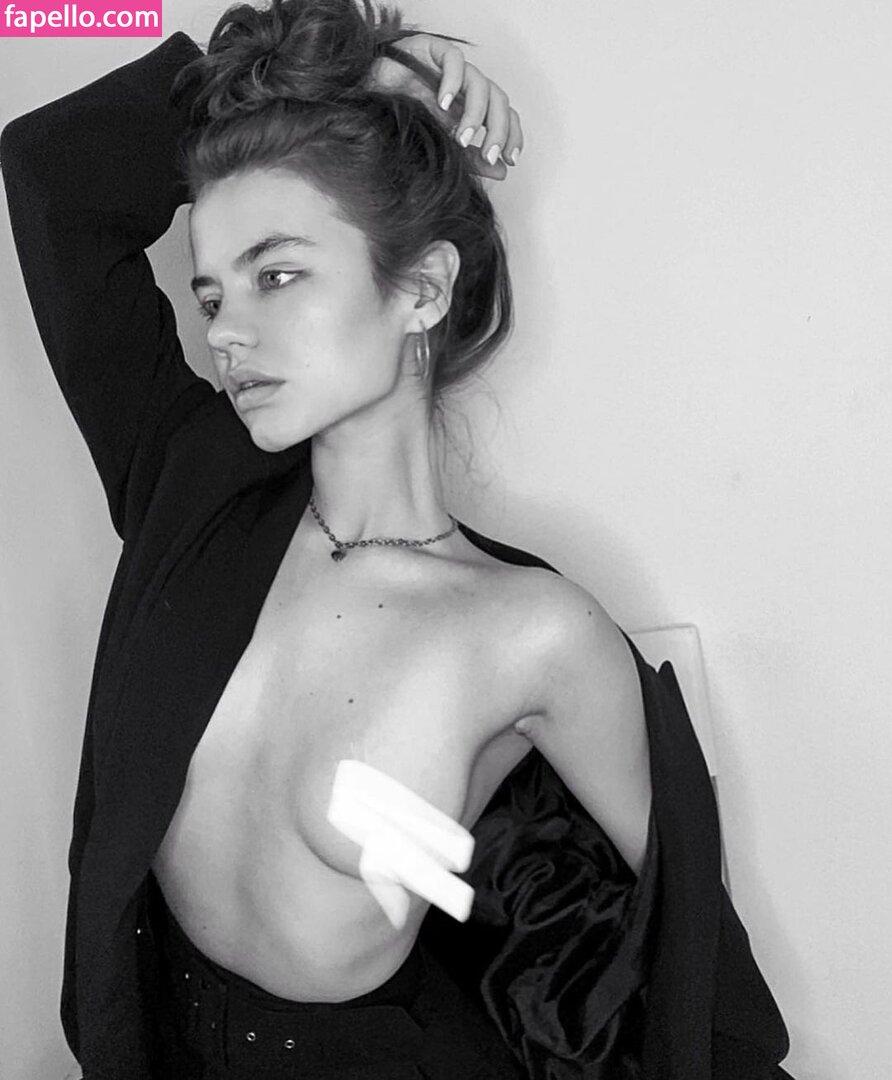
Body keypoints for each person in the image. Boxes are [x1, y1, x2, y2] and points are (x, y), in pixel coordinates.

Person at [0, 1, 795, 1077]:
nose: (225, 331)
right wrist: (356, 71)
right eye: (210, 291)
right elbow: (49, 173)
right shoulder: (190, 486)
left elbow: (698, 965)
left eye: (277, 274)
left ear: (420, 288)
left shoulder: (533, 634)